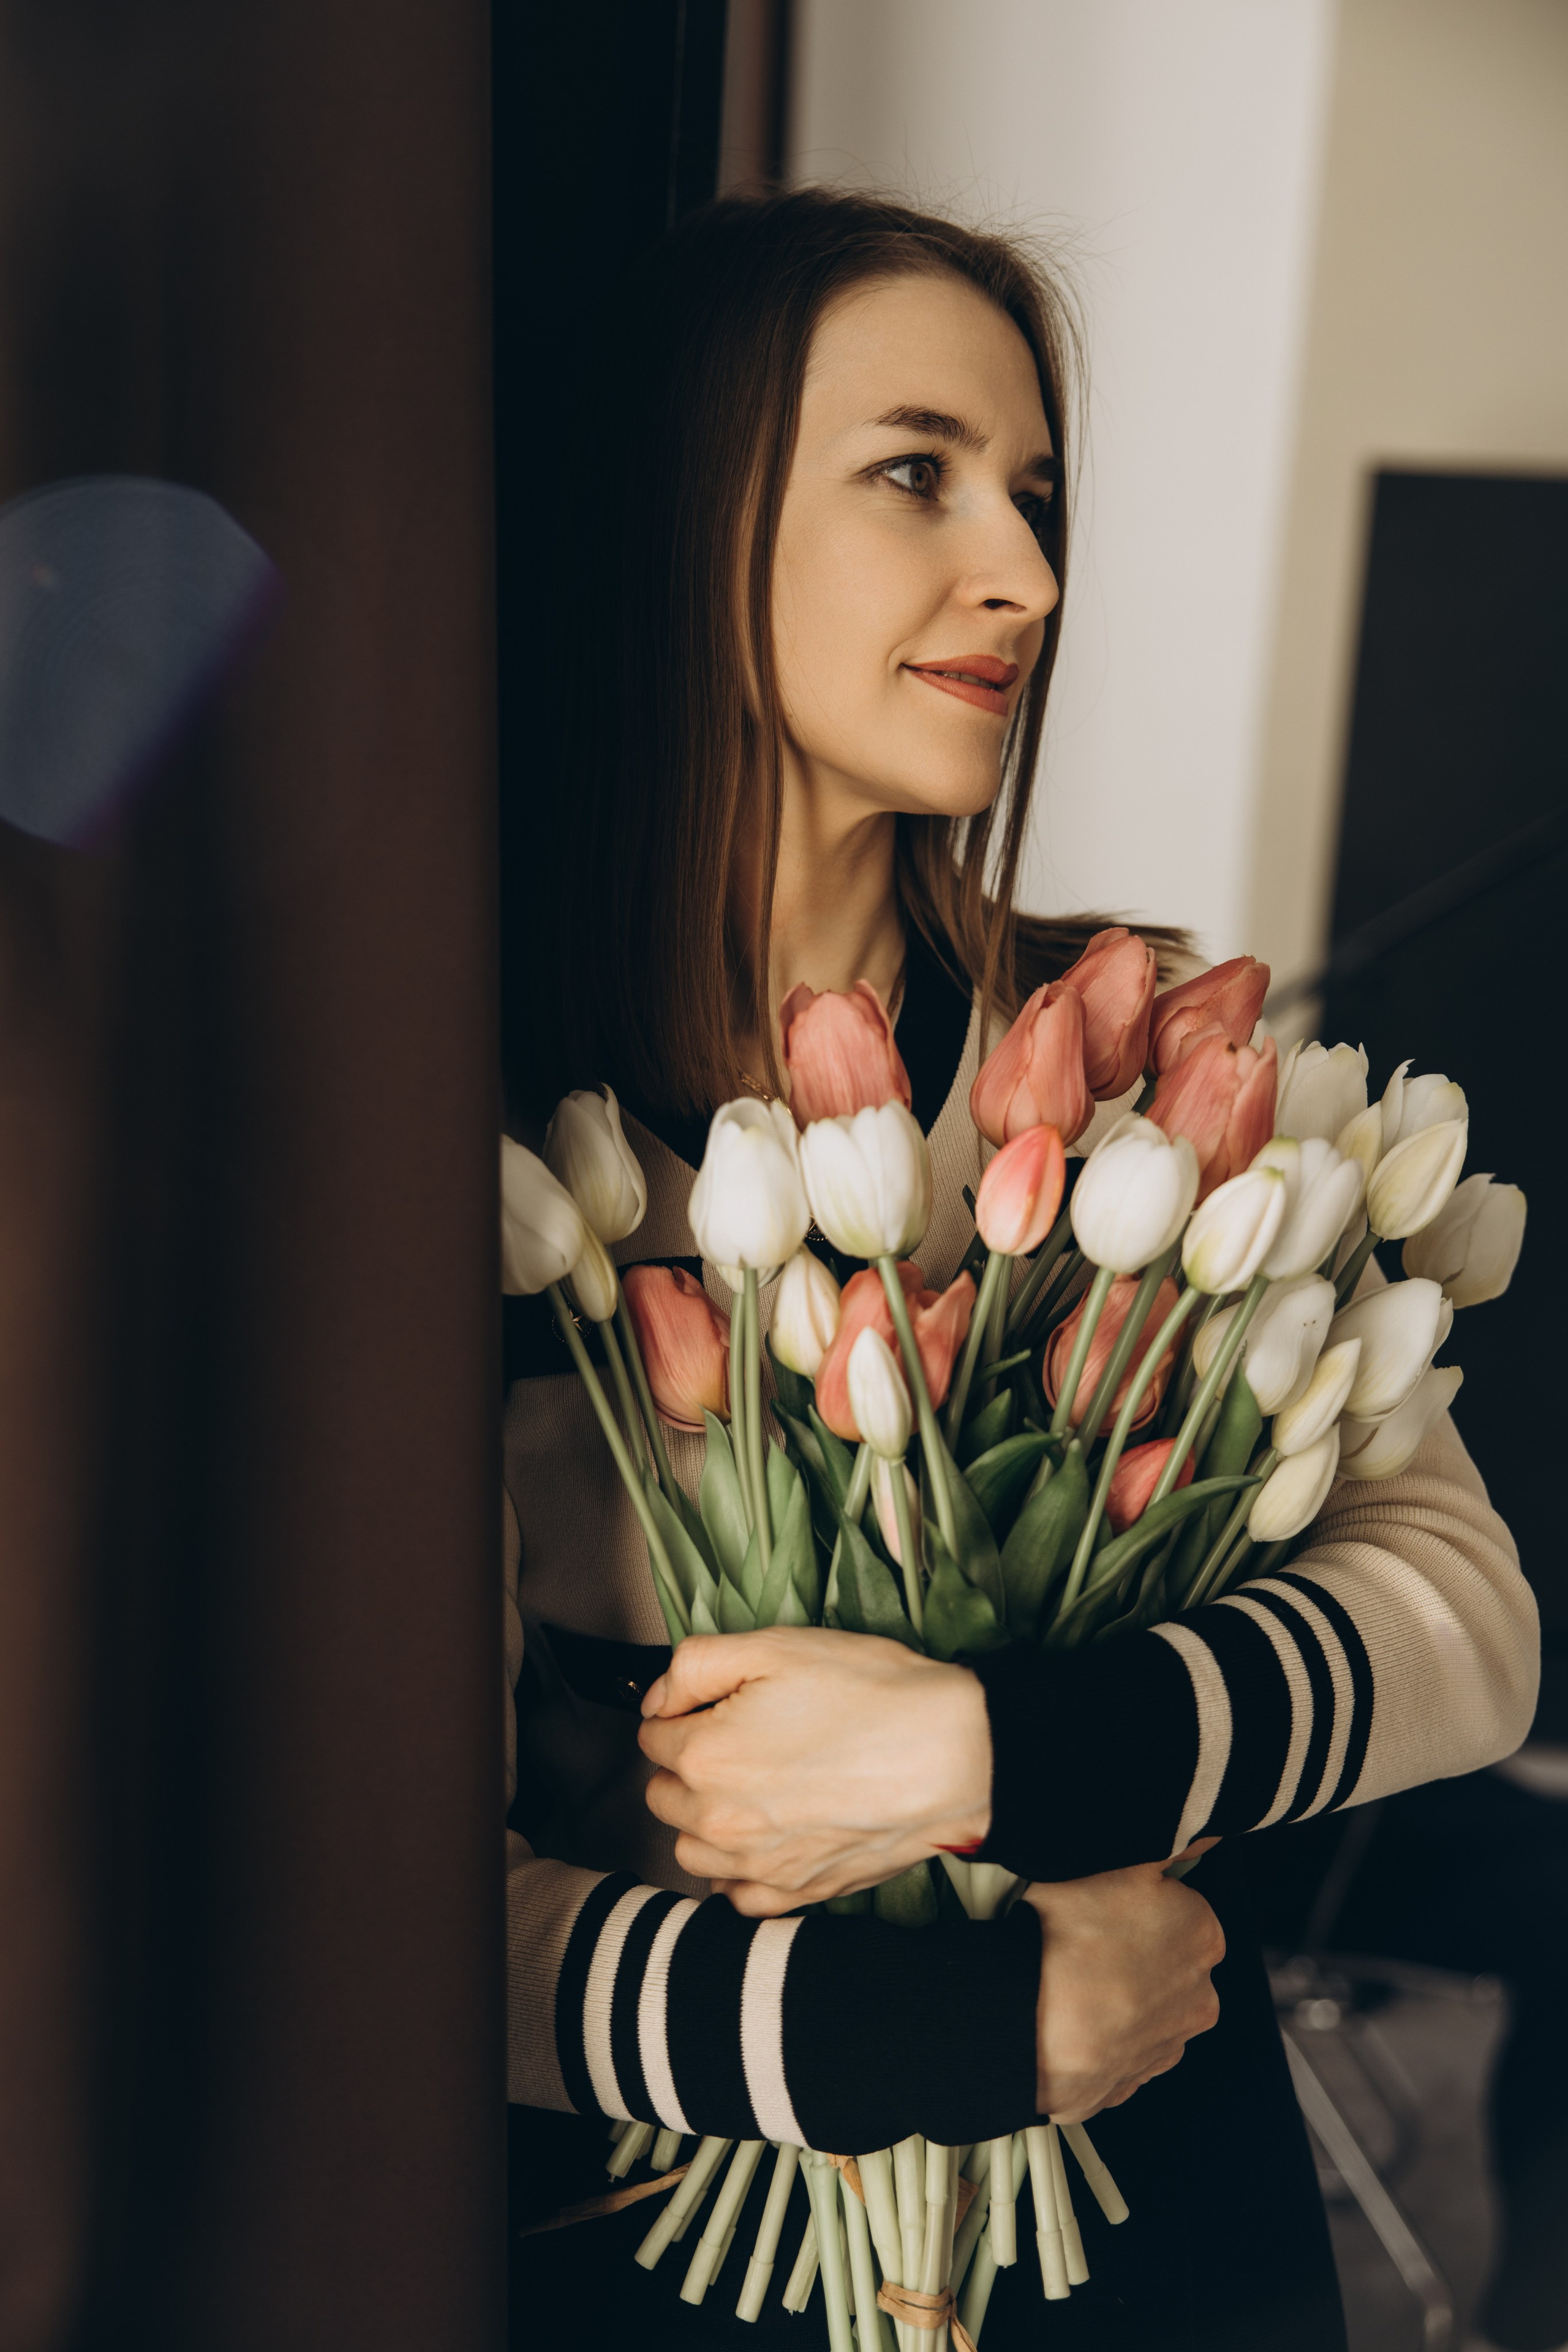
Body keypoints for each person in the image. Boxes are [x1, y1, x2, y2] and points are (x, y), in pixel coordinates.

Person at [501, 187, 1535, 2349]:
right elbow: (373, 1931)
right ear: (688, 515)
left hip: (1171, 2226)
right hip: (691, 2268)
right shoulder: (480, 1147)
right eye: (919, 477)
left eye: (1037, 495)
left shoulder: (1148, 1059)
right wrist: (957, 2030)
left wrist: (989, 1754)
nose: (1031, 578)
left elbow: (1469, 1631)